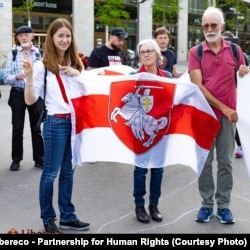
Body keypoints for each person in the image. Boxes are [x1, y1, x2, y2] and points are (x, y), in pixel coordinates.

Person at [23, 18, 90, 233]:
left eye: (68, 36)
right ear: (51, 38)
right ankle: (48, 218)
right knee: (51, 173)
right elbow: (30, 101)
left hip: (75, 123)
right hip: (55, 123)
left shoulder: (76, 63)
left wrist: (79, 74)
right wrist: (29, 78)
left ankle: (67, 216)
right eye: (60, 35)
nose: (64, 39)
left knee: (69, 173)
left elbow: (88, 91)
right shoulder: (42, 66)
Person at [188, 7, 249, 224]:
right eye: (205, 25)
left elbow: (242, 78)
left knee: (225, 162)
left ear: (222, 27)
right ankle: (206, 205)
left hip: (228, 118)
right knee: (204, 162)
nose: (209, 29)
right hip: (204, 116)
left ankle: (223, 206)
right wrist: (223, 107)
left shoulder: (235, 50)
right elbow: (198, 86)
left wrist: (244, 72)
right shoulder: (195, 52)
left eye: (213, 25)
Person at [133, 38, 172, 223]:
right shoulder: (134, 77)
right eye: (143, 52)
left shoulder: (167, 77)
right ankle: (139, 206)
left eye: (150, 51)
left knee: (158, 169)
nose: (146, 54)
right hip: (140, 130)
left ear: (157, 54)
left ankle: (154, 205)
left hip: (160, 131)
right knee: (140, 170)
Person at [4, 25, 44, 171]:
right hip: (18, 93)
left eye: (26, 34)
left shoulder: (40, 53)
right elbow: (6, 77)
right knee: (17, 128)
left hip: (35, 94)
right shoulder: (13, 54)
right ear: (18, 38)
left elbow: (46, 76)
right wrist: (17, 76)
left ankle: (40, 158)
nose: (24, 37)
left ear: (32, 36)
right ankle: (16, 159)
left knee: (36, 127)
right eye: (20, 36)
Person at [222, 30, 247, 159]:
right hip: (220, 102)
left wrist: (244, 70)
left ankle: (241, 145)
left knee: (236, 122)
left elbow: (245, 72)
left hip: (235, 96)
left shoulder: (236, 52)